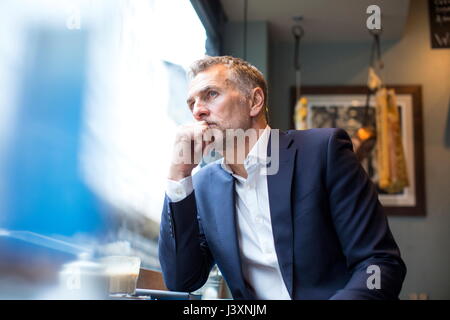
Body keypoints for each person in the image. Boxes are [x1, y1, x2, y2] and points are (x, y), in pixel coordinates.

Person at [158, 55, 406, 300]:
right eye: (192, 104)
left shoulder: (323, 152)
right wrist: (178, 175)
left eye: (211, 94)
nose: (198, 111)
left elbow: (379, 263)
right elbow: (183, 279)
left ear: (254, 101)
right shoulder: (203, 186)